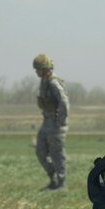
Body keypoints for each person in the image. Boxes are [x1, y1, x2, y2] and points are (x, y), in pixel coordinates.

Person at [33, 54, 69, 190]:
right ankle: (54, 179)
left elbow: (64, 103)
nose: (36, 72)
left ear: (45, 69)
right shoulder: (44, 82)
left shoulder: (54, 83)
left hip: (56, 124)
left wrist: (60, 122)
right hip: (46, 122)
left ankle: (61, 183)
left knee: (57, 154)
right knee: (40, 151)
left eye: (38, 69)